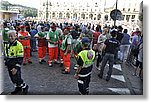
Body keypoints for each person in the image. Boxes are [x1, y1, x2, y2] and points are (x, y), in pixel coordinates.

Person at [4, 30, 29, 95]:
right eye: (9, 36)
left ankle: (25, 86)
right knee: (12, 79)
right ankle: (18, 88)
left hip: (15, 65)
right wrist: (5, 62)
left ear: (16, 36)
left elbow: (20, 58)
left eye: (12, 36)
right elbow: (6, 54)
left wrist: (16, 67)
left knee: (17, 78)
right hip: (9, 64)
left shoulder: (19, 45)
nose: (11, 37)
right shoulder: (7, 44)